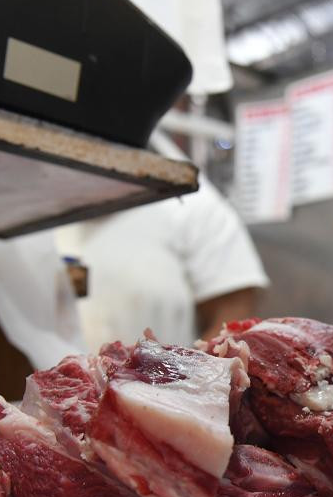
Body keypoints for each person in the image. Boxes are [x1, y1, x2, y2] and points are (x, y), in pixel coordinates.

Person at [54, 133, 269, 349]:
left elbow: (232, 319)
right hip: (55, 379)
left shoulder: (193, 206)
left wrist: (189, 378)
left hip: (168, 379)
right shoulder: (35, 198)